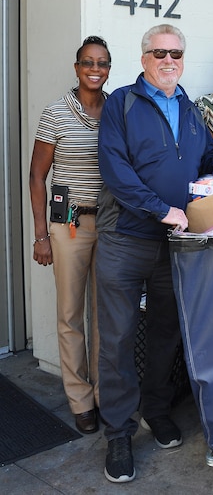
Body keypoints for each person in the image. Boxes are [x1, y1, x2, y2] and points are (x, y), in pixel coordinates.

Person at [95, 24, 213, 484]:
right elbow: (114, 169)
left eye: (176, 53)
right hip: (126, 238)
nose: (168, 60)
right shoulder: (121, 103)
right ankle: (119, 432)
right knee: (118, 339)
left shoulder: (189, 106)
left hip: (174, 244)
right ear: (143, 58)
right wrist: (161, 209)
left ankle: (156, 410)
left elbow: (201, 157)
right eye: (159, 53)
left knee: (166, 330)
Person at [29, 35, 111, 435]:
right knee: (70, 314)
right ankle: (80, 399)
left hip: (111, 224)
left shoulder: (118, 110)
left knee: (106, 314)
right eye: (88, 63)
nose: (95, 70)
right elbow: (37, 176)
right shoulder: (56, 113)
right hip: (69, 223)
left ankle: (102, 394)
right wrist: (41, 235)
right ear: (77, 67)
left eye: (102, 63)